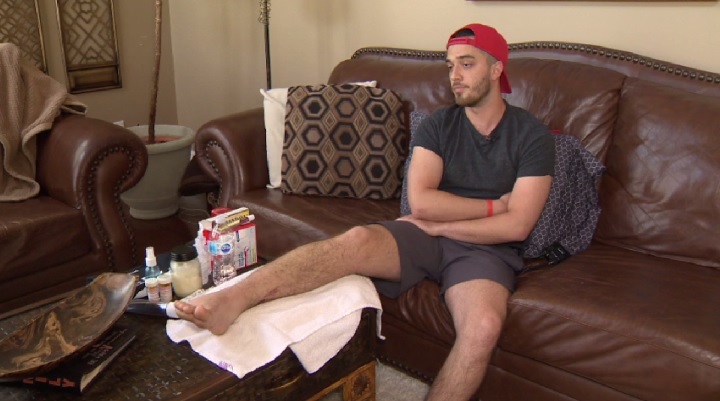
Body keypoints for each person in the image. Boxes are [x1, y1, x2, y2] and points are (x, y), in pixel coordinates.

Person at [175, 22, 554, 401]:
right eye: (450, 65)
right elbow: (422, 203)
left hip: (484, 249)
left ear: (496, 68)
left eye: (467, 64)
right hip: (424, 230)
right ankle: (233, 299)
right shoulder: (440, 125)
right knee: (355, 240)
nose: (455, 75)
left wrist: (442, 227)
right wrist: (493, 206)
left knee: (483, 327)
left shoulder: (531, 136)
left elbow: (517, 226)